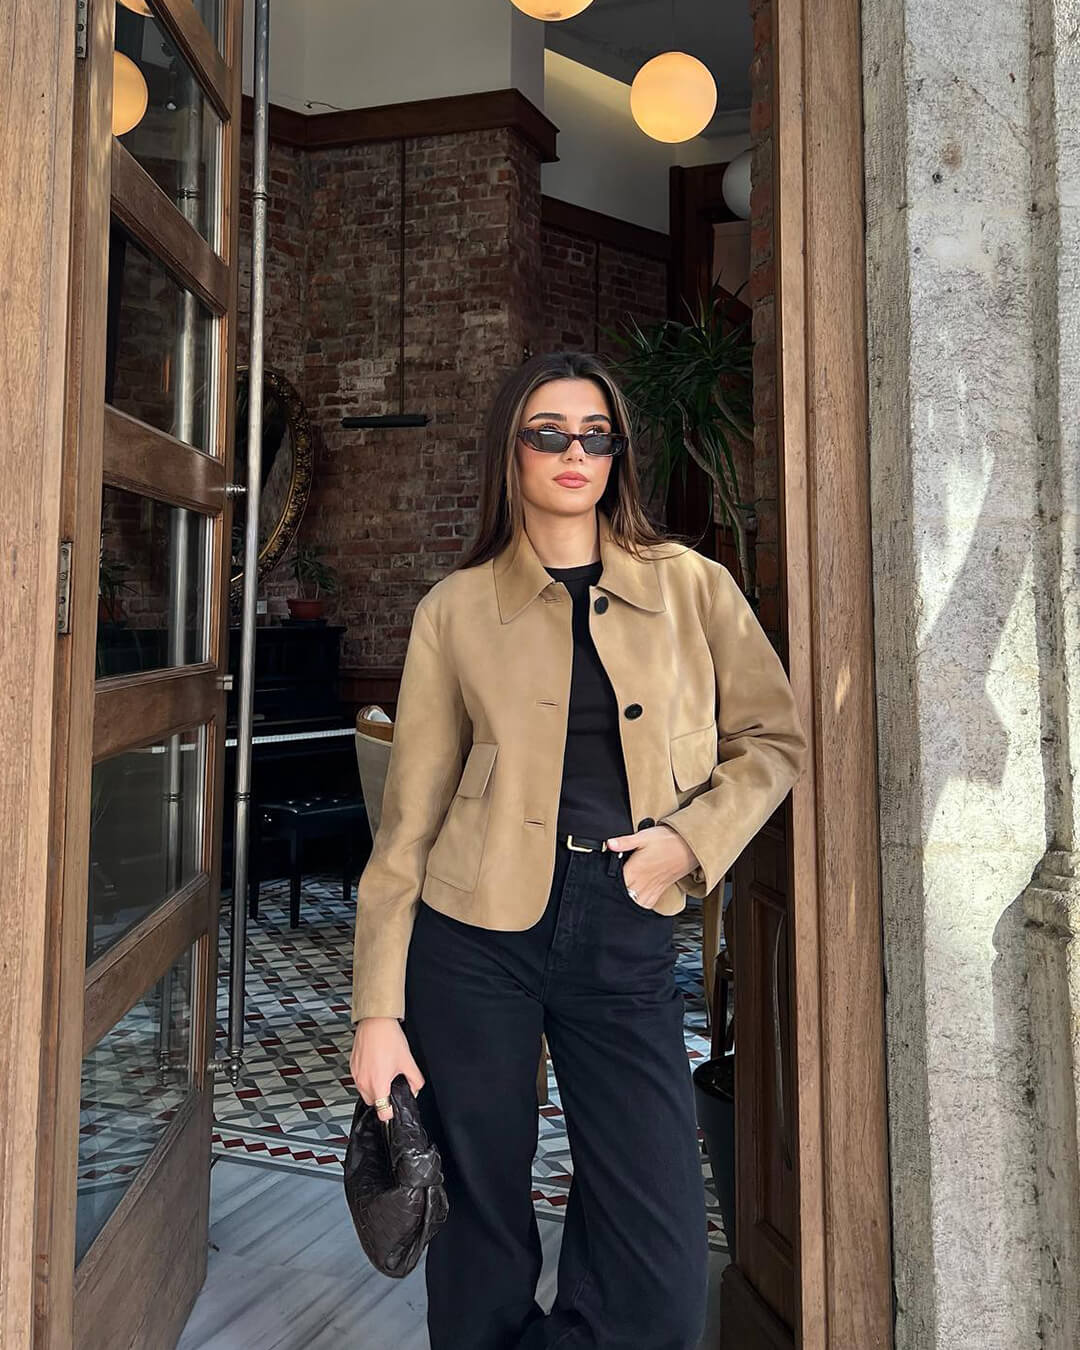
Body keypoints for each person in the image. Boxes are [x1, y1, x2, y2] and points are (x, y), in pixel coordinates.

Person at [349, 351, 808, 1350]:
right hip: (473, 938)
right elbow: (407, 827)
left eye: (596, 435)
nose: (575, 452)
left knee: (659, 1250)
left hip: (625, 917)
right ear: (509, 452)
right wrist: (377, 1012)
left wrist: (687, 841)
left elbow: (775, 740)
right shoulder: (455, 609)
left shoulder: (692, 587)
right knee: (478, 1228)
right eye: (549, 432)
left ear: (618, 454)